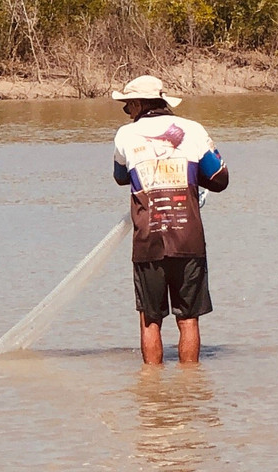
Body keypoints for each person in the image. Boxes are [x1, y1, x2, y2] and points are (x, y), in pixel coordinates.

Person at [111, 75, 229, 365]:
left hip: (148, 240)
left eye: (128, 107)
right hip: (188, 238)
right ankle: (190, 388)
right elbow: (220, 179)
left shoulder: (125, 135)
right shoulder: (193, 130)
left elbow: (120, 177)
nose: (128, 113)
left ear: (138, 104)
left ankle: (152, 391)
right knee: (188, 319)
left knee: (150, 320)